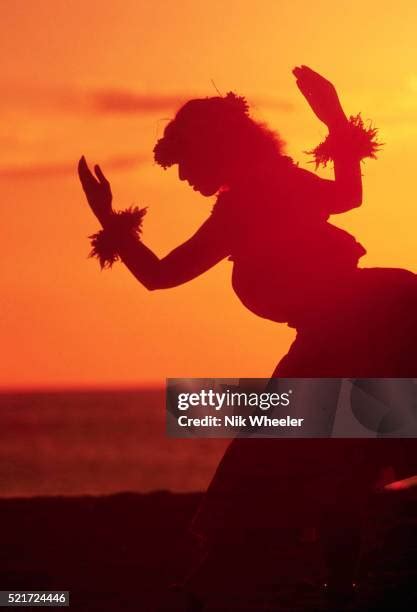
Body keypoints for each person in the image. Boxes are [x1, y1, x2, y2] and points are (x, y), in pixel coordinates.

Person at [78, 66, 416, 608]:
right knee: (335, 461)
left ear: (216, 153)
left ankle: (223, 584)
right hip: (354, 325)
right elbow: (348, 195)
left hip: (356, 327)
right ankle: (330, 587)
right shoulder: (268, 188)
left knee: (273, 455)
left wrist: (109, 219)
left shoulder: (248, 202)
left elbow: (161, 276)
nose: (184, 177)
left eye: (186, 163)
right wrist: (330, 116)